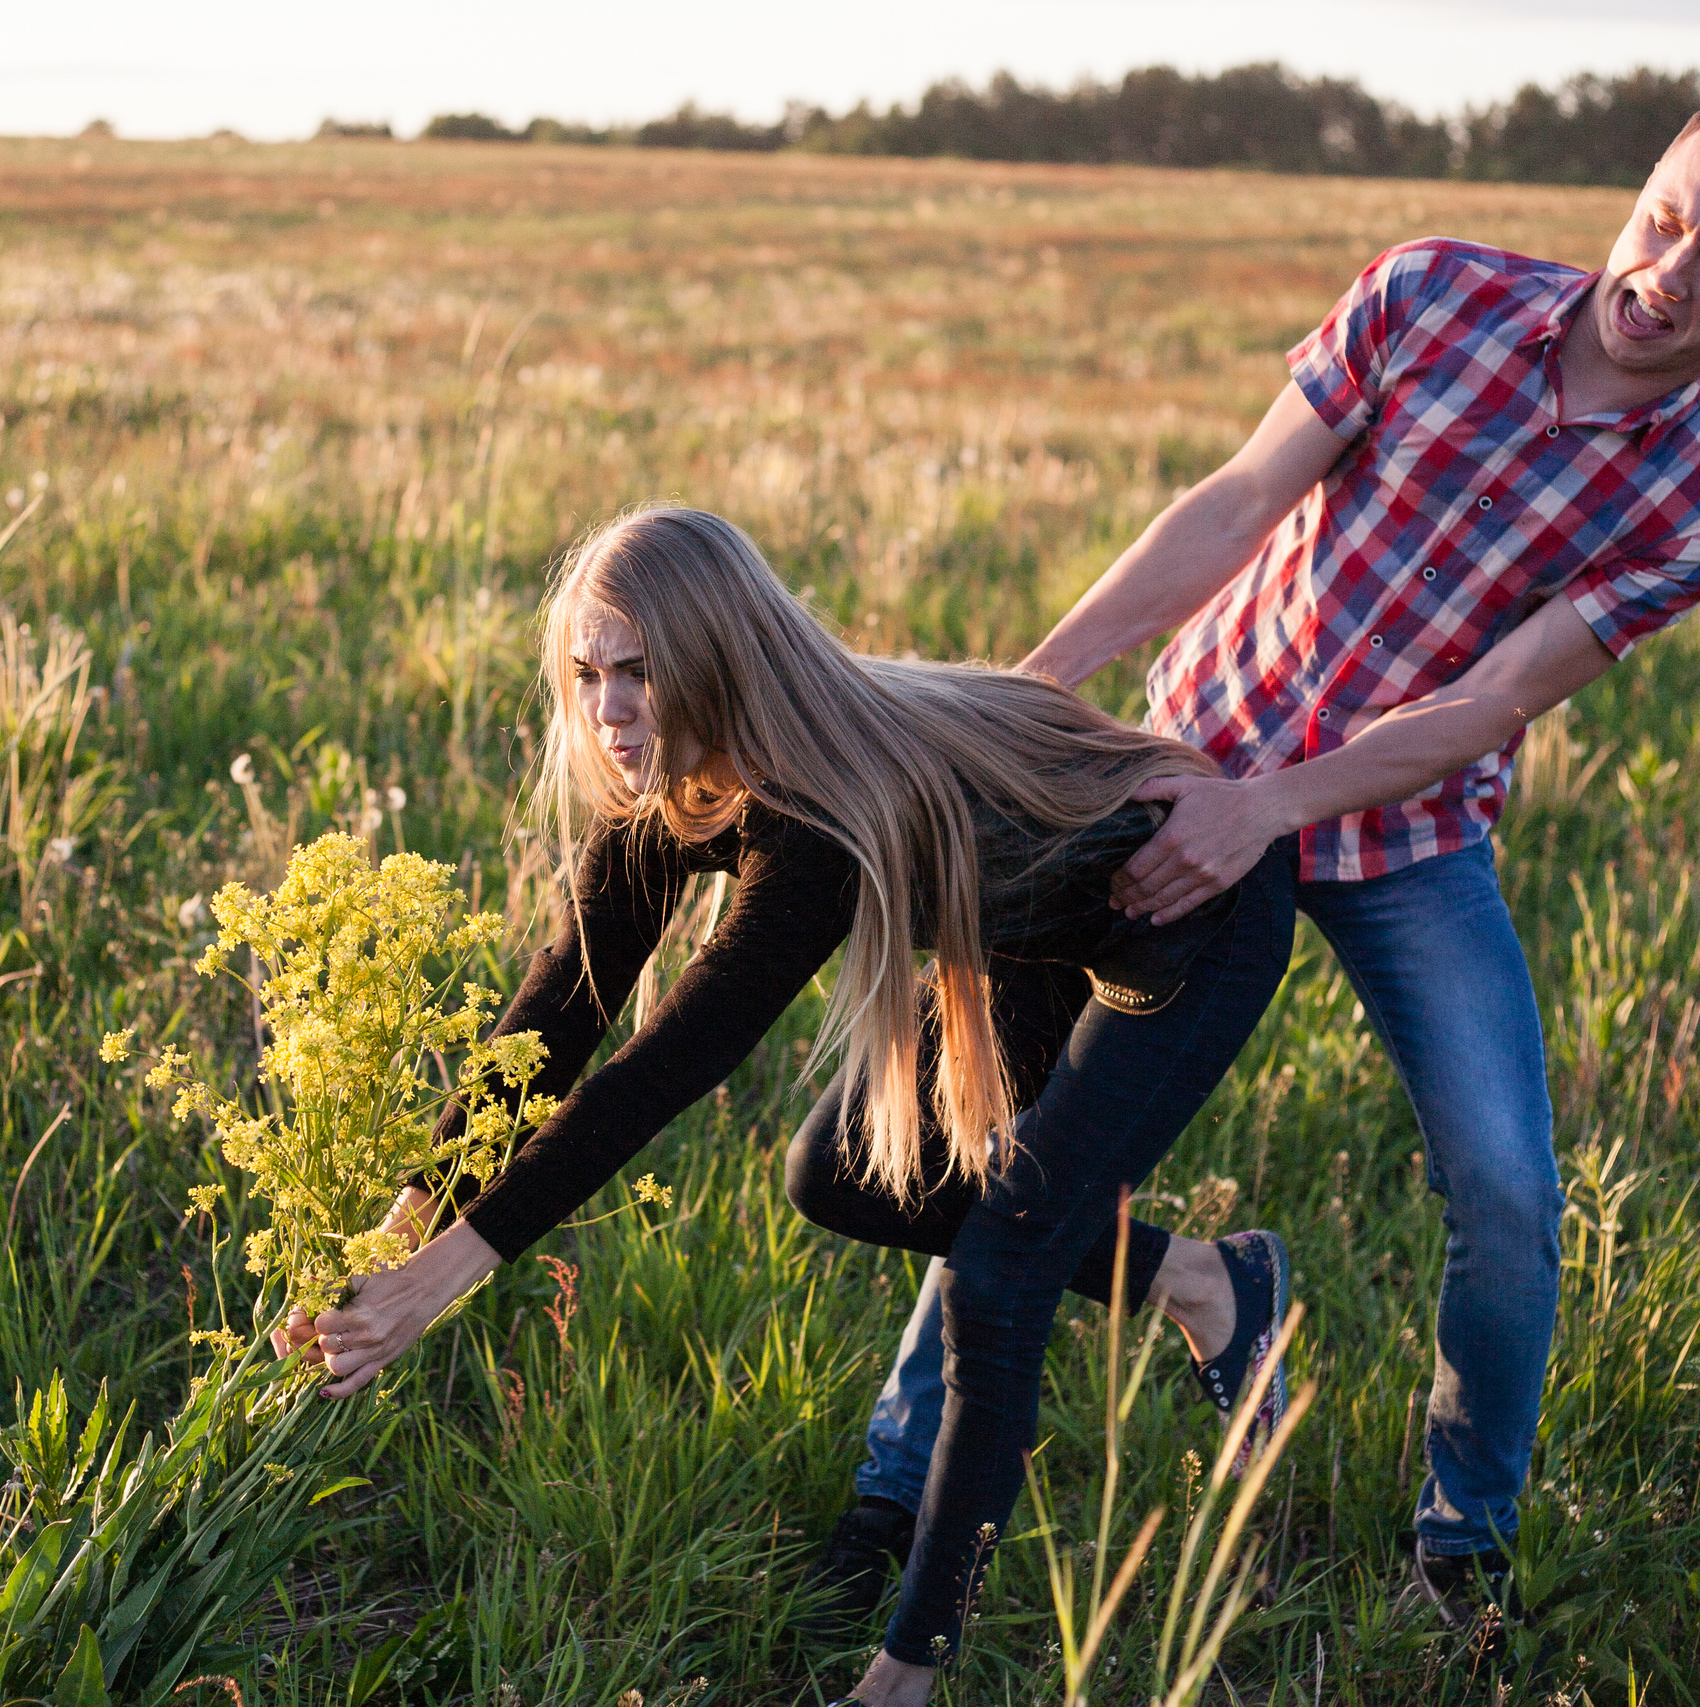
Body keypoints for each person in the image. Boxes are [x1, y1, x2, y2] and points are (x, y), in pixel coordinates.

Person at [820, 73, 1700, 1632]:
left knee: (1508, 1190)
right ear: (1644, 184)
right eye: (1664, 220)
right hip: (1174, 770)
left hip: (1404, 842)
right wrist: (1038, 693)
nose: (1666, 276)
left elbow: (1497, 696)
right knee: (1019, 1119)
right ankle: (902, 1478)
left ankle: (1465, 1537)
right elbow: (1237, 499)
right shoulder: (1430, 290)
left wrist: (1271, 806)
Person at [286, 504, 1299, 1705]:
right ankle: (1201, 1282)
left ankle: (904, 1673)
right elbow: (555, 1024)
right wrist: (402, 1232)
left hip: (1187, 918)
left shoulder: (809, 807)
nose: (611, 712)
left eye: (643, 673)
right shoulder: (665, 788)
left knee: (999, 1275)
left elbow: (665, 1066)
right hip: (1025, 920)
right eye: (589, 674)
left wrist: (453, 1273)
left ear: (717, 658)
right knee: (838, 1174)